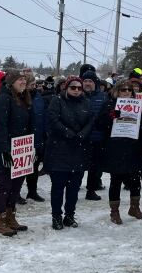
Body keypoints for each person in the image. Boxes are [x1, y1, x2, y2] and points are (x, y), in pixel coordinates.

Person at [97, 79, 142, 224]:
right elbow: (99, 123)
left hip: (133, 147)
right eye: (123, 90)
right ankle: (114, 212)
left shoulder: (136, 105)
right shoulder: (109, 104)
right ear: (117, 91)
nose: (127, 92)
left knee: (135, 179)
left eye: (129, 90)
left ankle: (134, 207)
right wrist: (111, 116)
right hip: (115, 147)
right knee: (116, 180)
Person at [45, 76, 94, 230]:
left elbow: (91, 121)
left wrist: (82, 134)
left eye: (79, 88)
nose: (76, 90)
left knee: (74, 187)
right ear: (66, 88)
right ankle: (56, 216)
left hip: (79, 149)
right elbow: (53, 120)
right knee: (58, 186)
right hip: (59, 149)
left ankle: (69, 215)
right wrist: (68, 133)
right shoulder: (57, 101)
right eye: (73, 87)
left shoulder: (86, 102)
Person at [0, 70, 32, 236]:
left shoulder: (21, 99)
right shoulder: (4, 100)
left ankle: (10, 217)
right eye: (20, 79)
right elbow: (1, 128)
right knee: (4, 186)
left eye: (24, 79)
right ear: (11, 82)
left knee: (15, 186)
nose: (23, 82)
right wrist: (6, 150)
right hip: (4, 150)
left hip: (20, 151)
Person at [81, 69, 108, 201]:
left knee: (95, 166)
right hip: (81, 137)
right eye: (85, 81)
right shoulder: (77, 95)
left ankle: (91, 189)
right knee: (78, 166)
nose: (87, 83)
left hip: (98, 138)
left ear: (95, 83)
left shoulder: (102, 97)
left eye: (90, 81)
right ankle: (73, 188)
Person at [24, 74, 46, 202]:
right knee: (21, 168)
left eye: (34, 85)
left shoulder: (38, 97)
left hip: (37, 137)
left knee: (34, 166)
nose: (34, 87)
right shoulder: (19, 97)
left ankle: (32, 191)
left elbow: (42, 115)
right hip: (23, 138)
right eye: (31, 85)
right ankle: (15, 194)